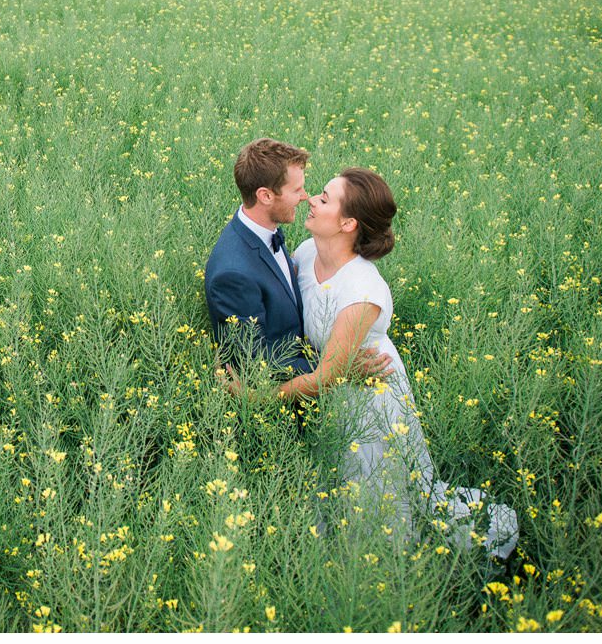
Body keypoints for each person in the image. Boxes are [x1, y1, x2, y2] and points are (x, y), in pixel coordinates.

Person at [280, 166, 519, 561]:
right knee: (331, 485)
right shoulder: (306, 255)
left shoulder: (362, 288)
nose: (311, 199)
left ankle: (381, 566)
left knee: (374, 492)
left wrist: (256, 395)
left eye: (324, 197)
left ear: (347, 223)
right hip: (332, 389)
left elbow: (329, 375)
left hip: (369, 397)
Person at [204, 139, 389, 382]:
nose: (305, 197)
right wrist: (334, 369)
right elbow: (252, 358)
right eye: (296, 190)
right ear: (266, 196)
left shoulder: (273, 236)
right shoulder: (233, 273)